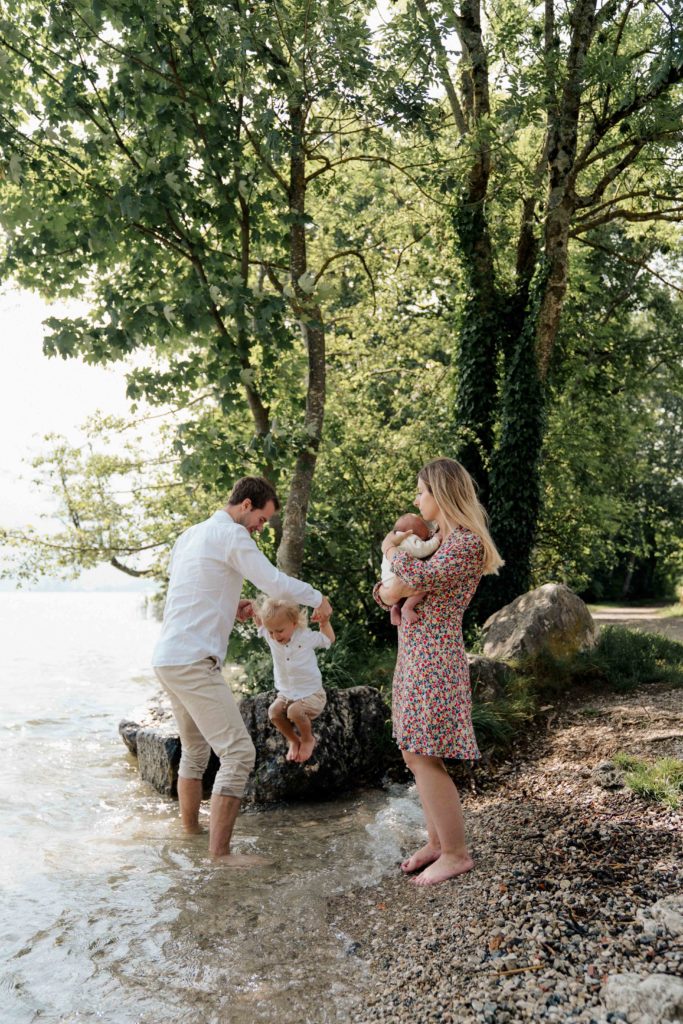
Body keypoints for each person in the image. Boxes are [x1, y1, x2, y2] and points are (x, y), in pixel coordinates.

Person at [152, 476, 332, 866]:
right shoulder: (233, 537)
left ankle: (191, 836)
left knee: (196, 750)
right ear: (247, 504)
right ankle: (220, 856)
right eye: (263, 519)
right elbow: (275, 583)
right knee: (238, 753)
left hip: (167, 657)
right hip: (194, 661)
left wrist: (230, 604)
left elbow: (189, 588)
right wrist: (318, 598)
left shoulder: (191, 535)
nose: (261, 528)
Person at [376, 458, 503, 886]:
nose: (416, 499)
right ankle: (436, 842)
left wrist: (390, 552)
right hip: (415, 654)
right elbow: (391, 590)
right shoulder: (439, 540)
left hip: (435, 657)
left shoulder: (465, 543)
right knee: (414, 751)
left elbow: (418, 577)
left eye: (421, 491)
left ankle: (455, 852)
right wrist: (389, 586)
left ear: (442, 493)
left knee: (426, 754)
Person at [251, 597, 335, 763]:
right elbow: (258, 621)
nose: (275, 636)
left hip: (312, 693)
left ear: (294, 623)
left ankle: (307, 739)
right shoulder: (270, 634)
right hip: (286, 693)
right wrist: (251, 606)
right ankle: (293, 739)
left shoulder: (305, 637)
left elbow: (328, 640)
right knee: (273, 712)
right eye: (271, 632)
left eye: (280, 631)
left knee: (294, 711)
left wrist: (324, 623)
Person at [380, 512, 441, 626]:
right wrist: (435, 540)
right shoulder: (408, 538)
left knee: (405, 590)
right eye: (423, 532)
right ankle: (407, 607)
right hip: (398, 577)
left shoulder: (392, 541)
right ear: (409, 532)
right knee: (423, 585)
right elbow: (422, 549)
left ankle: (396, 607)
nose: (426, 534)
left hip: (387, 581)